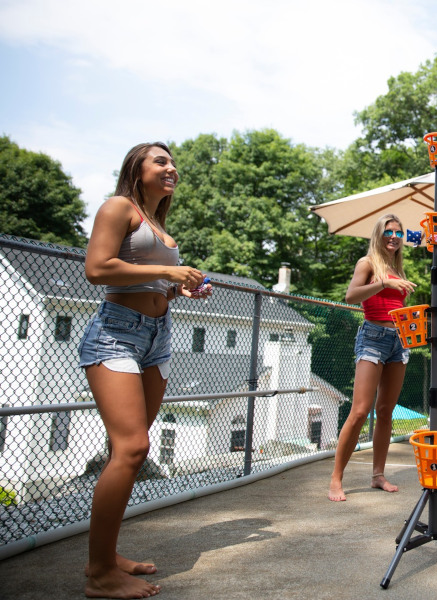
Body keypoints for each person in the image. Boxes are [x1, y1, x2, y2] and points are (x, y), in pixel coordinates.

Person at [80, 142, 212, 599]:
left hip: (157, 337)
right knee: (133, 448)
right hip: (116, 334)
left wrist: (178, 290)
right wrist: (170, 273)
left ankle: (106, 553)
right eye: (160, 160)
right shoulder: (120, 207)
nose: (171, 167)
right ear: (136, 168)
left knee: (128, 453)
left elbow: (149, 281)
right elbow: (97, 269)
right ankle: (100, 575)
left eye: (173, 161)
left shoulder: (157, 225)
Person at [328, 214, 416, 502]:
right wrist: (383, 284)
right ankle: (336, 479)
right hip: (373, 338)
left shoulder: (397, 268)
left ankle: (378, 475)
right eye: (388, 232)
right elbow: (351, 296)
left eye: (398, 233)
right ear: (378, 235)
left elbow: (393, 304)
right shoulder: (367, 264)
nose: (394, 237)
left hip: (399, 339)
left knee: (386, 410)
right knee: (360, 411)